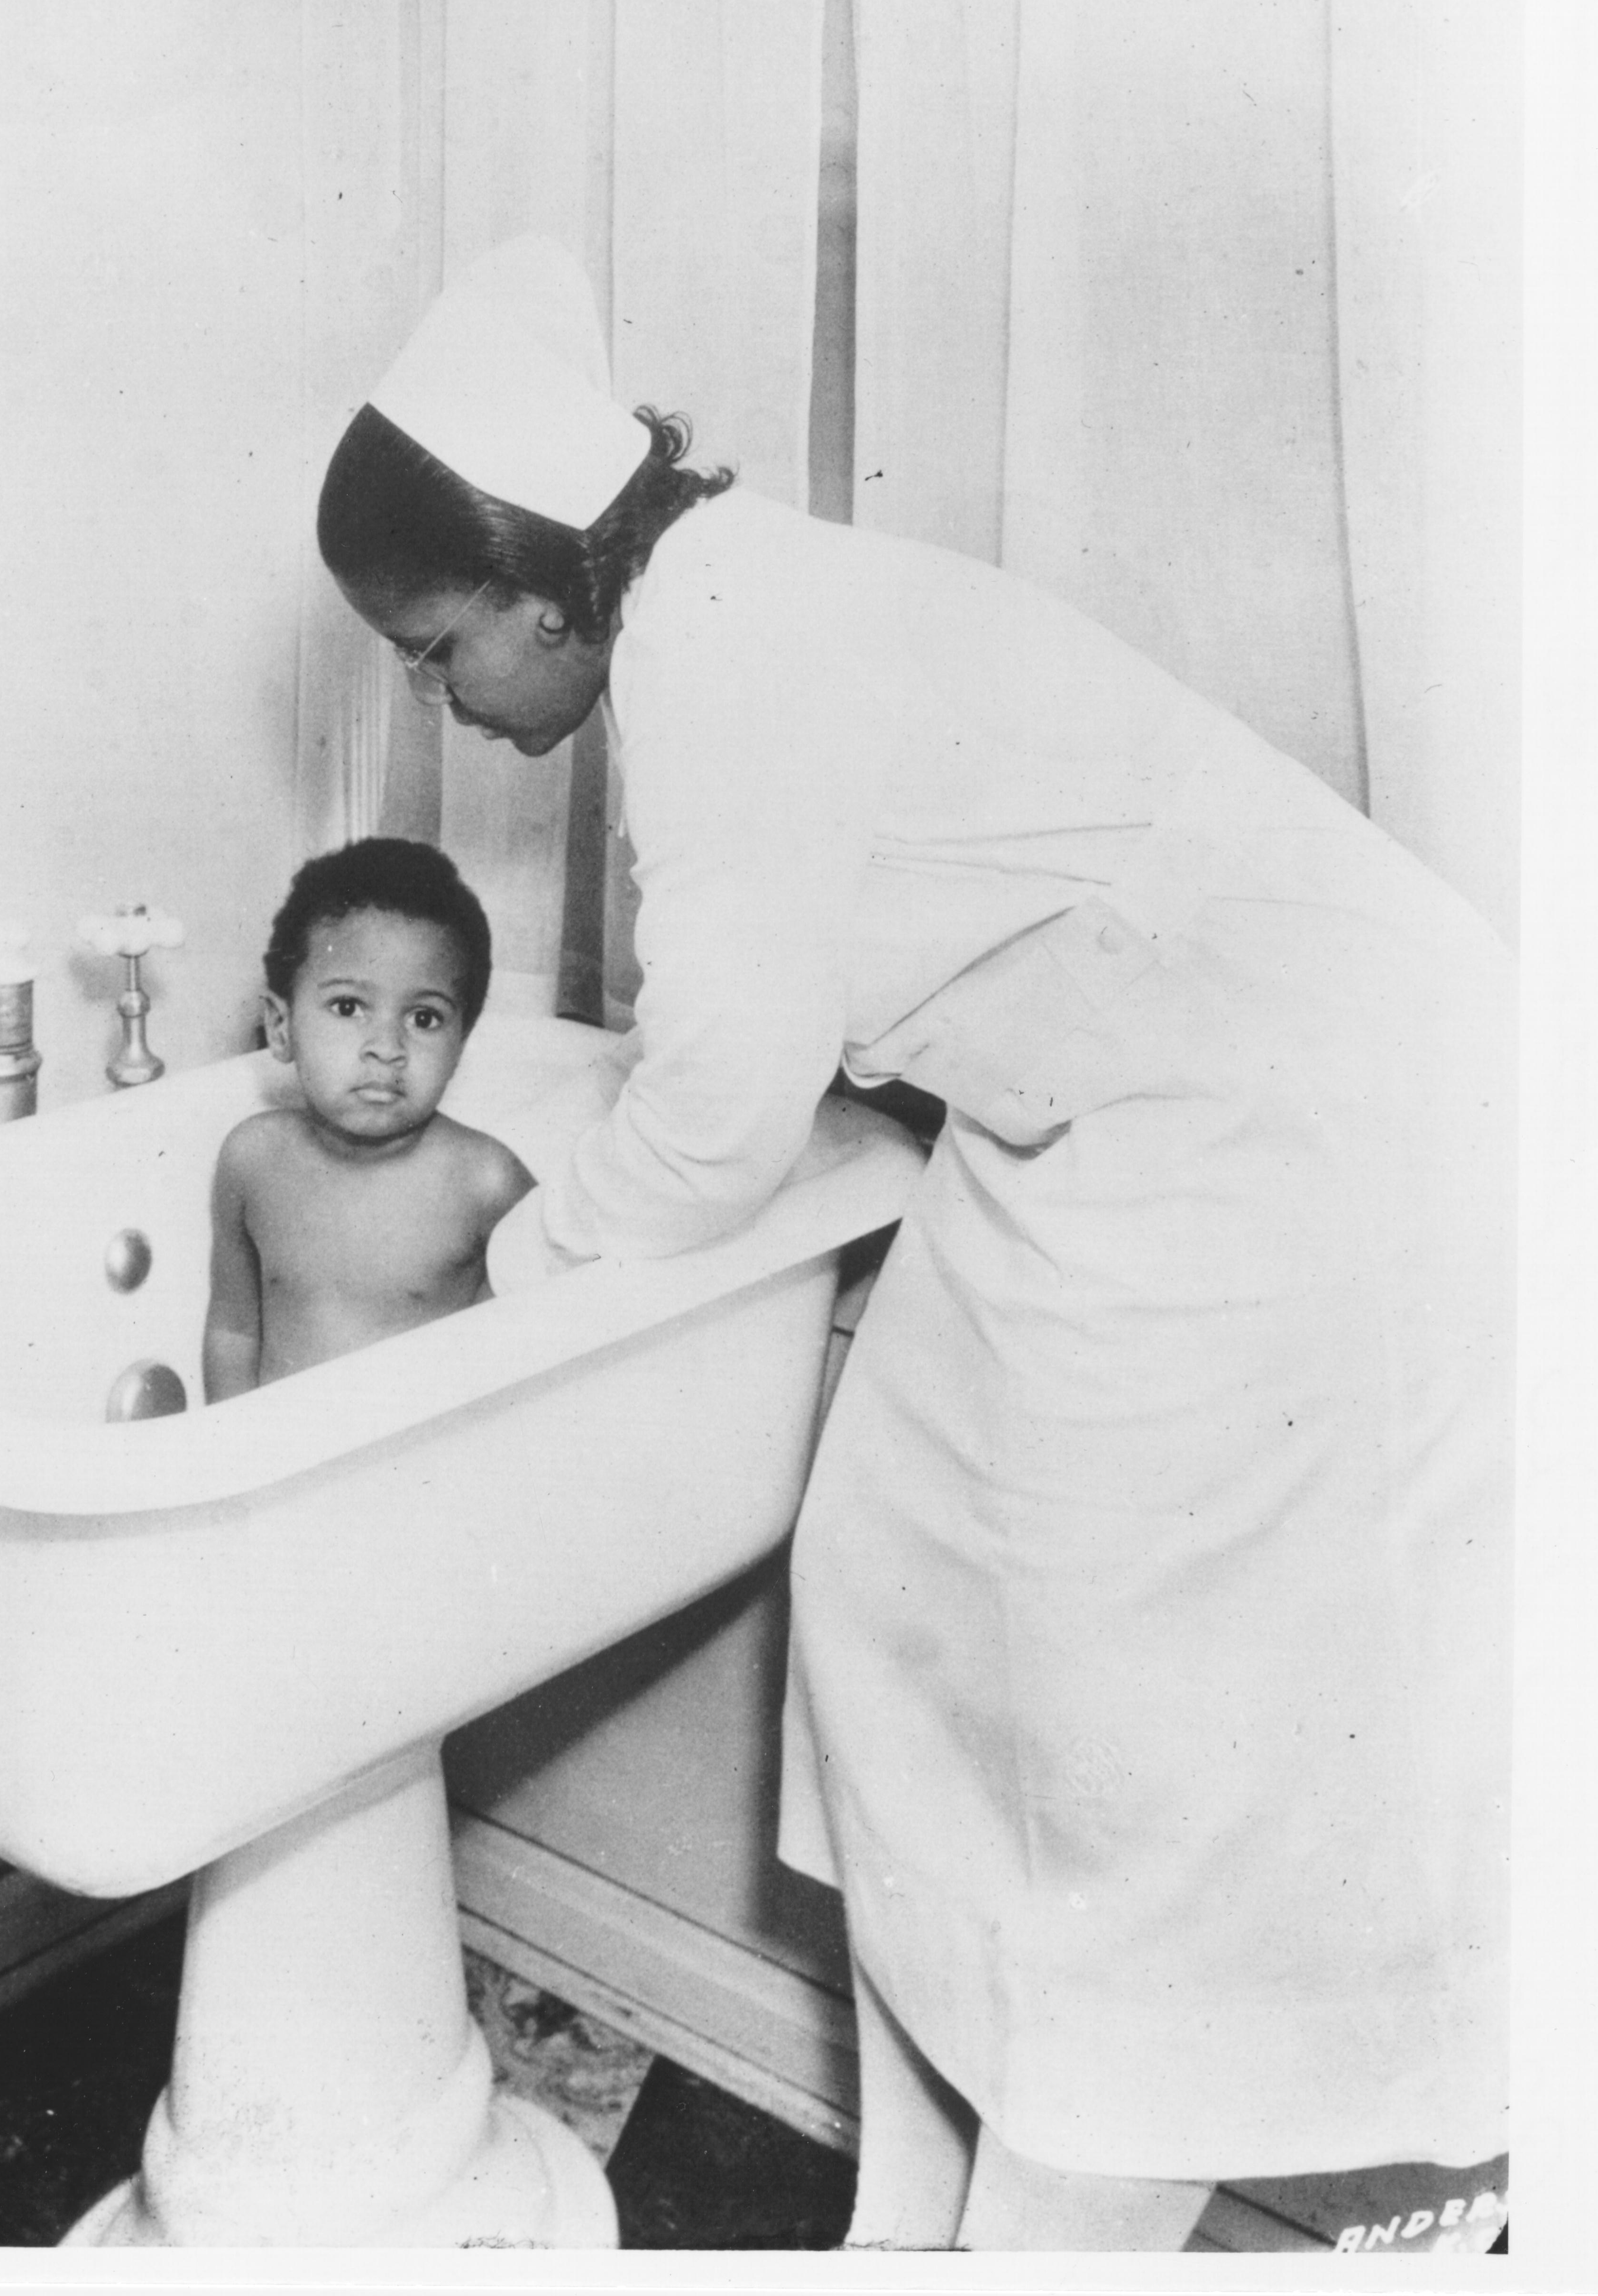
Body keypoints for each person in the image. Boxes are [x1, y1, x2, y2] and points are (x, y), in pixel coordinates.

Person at [312, 236, 1513, 2253]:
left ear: (536, 586)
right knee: (885, 1585)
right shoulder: (719, 604)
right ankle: (915, 2214)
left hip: (1308, 1140)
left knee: (1143, 1753)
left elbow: (707, 1120)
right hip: (1110, 1120)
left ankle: (1078, 2218)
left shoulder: (727, 658)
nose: (444, 699)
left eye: (440, 650)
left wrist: (508, 1266)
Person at [202, 836, 535, 1403]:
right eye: (349, 1007)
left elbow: (542, 1337)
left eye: (425, 1018)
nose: (387, 1047)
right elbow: (233, 1329)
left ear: (461, 1045)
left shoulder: (486, 1181)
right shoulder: (251, 1161)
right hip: (278, 1468)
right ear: (281, 1028)